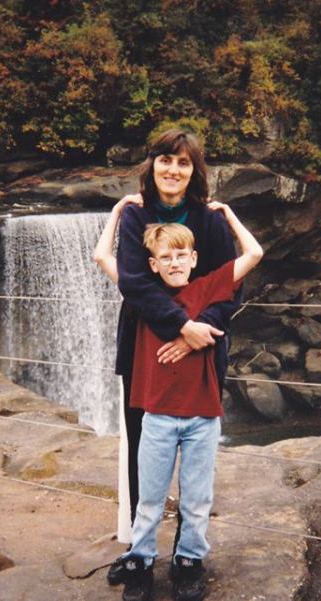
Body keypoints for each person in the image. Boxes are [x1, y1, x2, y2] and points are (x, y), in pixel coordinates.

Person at [94, 205, 263, 601]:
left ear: (194, 259)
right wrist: (118, 211)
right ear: (152, 264)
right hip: (156, 418)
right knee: (149, 499)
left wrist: (229, 214)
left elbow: (253, 254)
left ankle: (188, 561)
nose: (174, 263)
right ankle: (142, 559)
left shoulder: (208, 288)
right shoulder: (144, 299)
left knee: (198, 498)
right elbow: (102, 256)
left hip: (204, 418)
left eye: (180, 256)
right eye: (165, 258)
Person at [103, 129, 241, 588]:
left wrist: (195, 335)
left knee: (197, 468)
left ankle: (187, 558)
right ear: (152, 165)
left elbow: (229, 287)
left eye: (183, 163)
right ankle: (141, 555)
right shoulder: (135, 216)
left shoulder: (210, 220)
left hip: (202, 352)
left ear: (193, 171)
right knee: (145, 453)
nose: (173, 170)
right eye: (165, 160)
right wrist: (179, 328)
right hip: (145, 350)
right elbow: (134, 282)